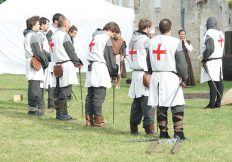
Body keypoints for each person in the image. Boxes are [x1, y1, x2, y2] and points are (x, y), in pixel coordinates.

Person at [148, 18, 188, 140]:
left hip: (156, 76)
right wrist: (184, 76)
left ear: (159, 29)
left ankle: (163, 133)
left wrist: (151, 73)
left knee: (161, 105)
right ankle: (179, 133)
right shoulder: (175, 42)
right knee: (177, 105)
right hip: (171, 77)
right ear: (171, 28)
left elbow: (148, 61)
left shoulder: (151, 41)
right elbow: (181, 62)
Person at [84, 23, 119, 127]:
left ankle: (89, 119)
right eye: (114, 33)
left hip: (91, 66)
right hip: (99, 67)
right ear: (110, 30)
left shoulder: (94, 37)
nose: (113, 36)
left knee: (90, 95)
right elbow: (109, 57)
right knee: (99, 95)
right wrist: (113, 72)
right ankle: (98, 120)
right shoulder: (105, 39)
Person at [50, 17, 83, 120]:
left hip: (56, 65)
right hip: (65, 65)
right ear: (64, 25)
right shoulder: (64, 35)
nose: (69, 26)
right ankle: (62, 114)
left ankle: (59, 113)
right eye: (68, 24)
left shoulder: (53, 35)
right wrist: (77, 62)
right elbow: (70, 51)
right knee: (65, 90)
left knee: (58, 89)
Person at [128, 18, 154, 135]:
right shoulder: (146, 40)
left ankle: (133, 127)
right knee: (147, 101)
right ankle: (149, 128)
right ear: (147, 28)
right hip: (144, 74)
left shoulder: (132, 40)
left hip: (135, 73)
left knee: (137, 102)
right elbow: (151, 57)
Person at [23, 16, 49, 116]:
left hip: (31, 60)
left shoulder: (28, 35)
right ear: (33, 25)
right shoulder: (33, 36)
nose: (39, 26)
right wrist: (45, 61)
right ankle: (33, 109)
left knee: (33, 85)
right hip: (34, 60)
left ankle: (32, 107)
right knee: (34, 85)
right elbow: (38, 51)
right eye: (38, 24)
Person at [200, 17, 225, 109]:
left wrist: (204, 58)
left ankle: (211, 104)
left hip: (212, 60)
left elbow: (210, 48)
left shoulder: (209, 33)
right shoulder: (220, 33)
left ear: (208, 24)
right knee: (219, 82)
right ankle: (218, 103)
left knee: (213, 82)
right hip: (219, 60)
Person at [37, 17, 55, 112]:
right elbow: (41, 50)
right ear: (42, 24)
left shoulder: (43, 35)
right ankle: (40, 106)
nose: (48, 26)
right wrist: (48, 58)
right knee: (42, 84)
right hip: (44, 62)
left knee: (49, 82)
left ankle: (49, 104)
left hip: (48, 61)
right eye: (47, 24)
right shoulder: (39, 35)